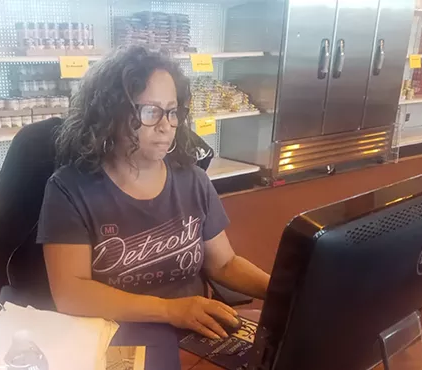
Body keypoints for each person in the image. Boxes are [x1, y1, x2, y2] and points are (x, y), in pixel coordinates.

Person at [37, 46, 271, 340]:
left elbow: (223, 263)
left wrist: (282, 290)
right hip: (111, 336)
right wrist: (171, 310)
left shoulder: (193, 180)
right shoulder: (69, 190)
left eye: (172, 112)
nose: (166, 126)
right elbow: (72, 293)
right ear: (111, 115)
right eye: (150, 111)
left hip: (193, 331)